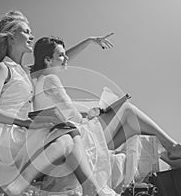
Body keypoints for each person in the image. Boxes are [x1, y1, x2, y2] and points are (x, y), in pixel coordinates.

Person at [0, 10, 117, 196]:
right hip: (1, 133)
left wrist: (88, 41)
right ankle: (93, 192)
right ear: (11, 36)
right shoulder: (3, 68)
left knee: (68, 136)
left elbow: (58, 60)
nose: (31, 36)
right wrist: (24, 122)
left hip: (21, 129)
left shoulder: (24, 71)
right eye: (26, 31)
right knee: (68, 131)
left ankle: (19, 191)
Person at [32, 36, 181, 169]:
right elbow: (73, 117)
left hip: (65, 136)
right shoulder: (50, 79)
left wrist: (93, 113)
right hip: (77, 137)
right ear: (47, 60)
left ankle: (167, 155)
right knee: (127, 108)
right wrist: (91, 116)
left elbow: (62, 112)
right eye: (61, 55)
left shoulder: (40, 80)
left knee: (132, 127)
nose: (66, 58)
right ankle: (172, 147)